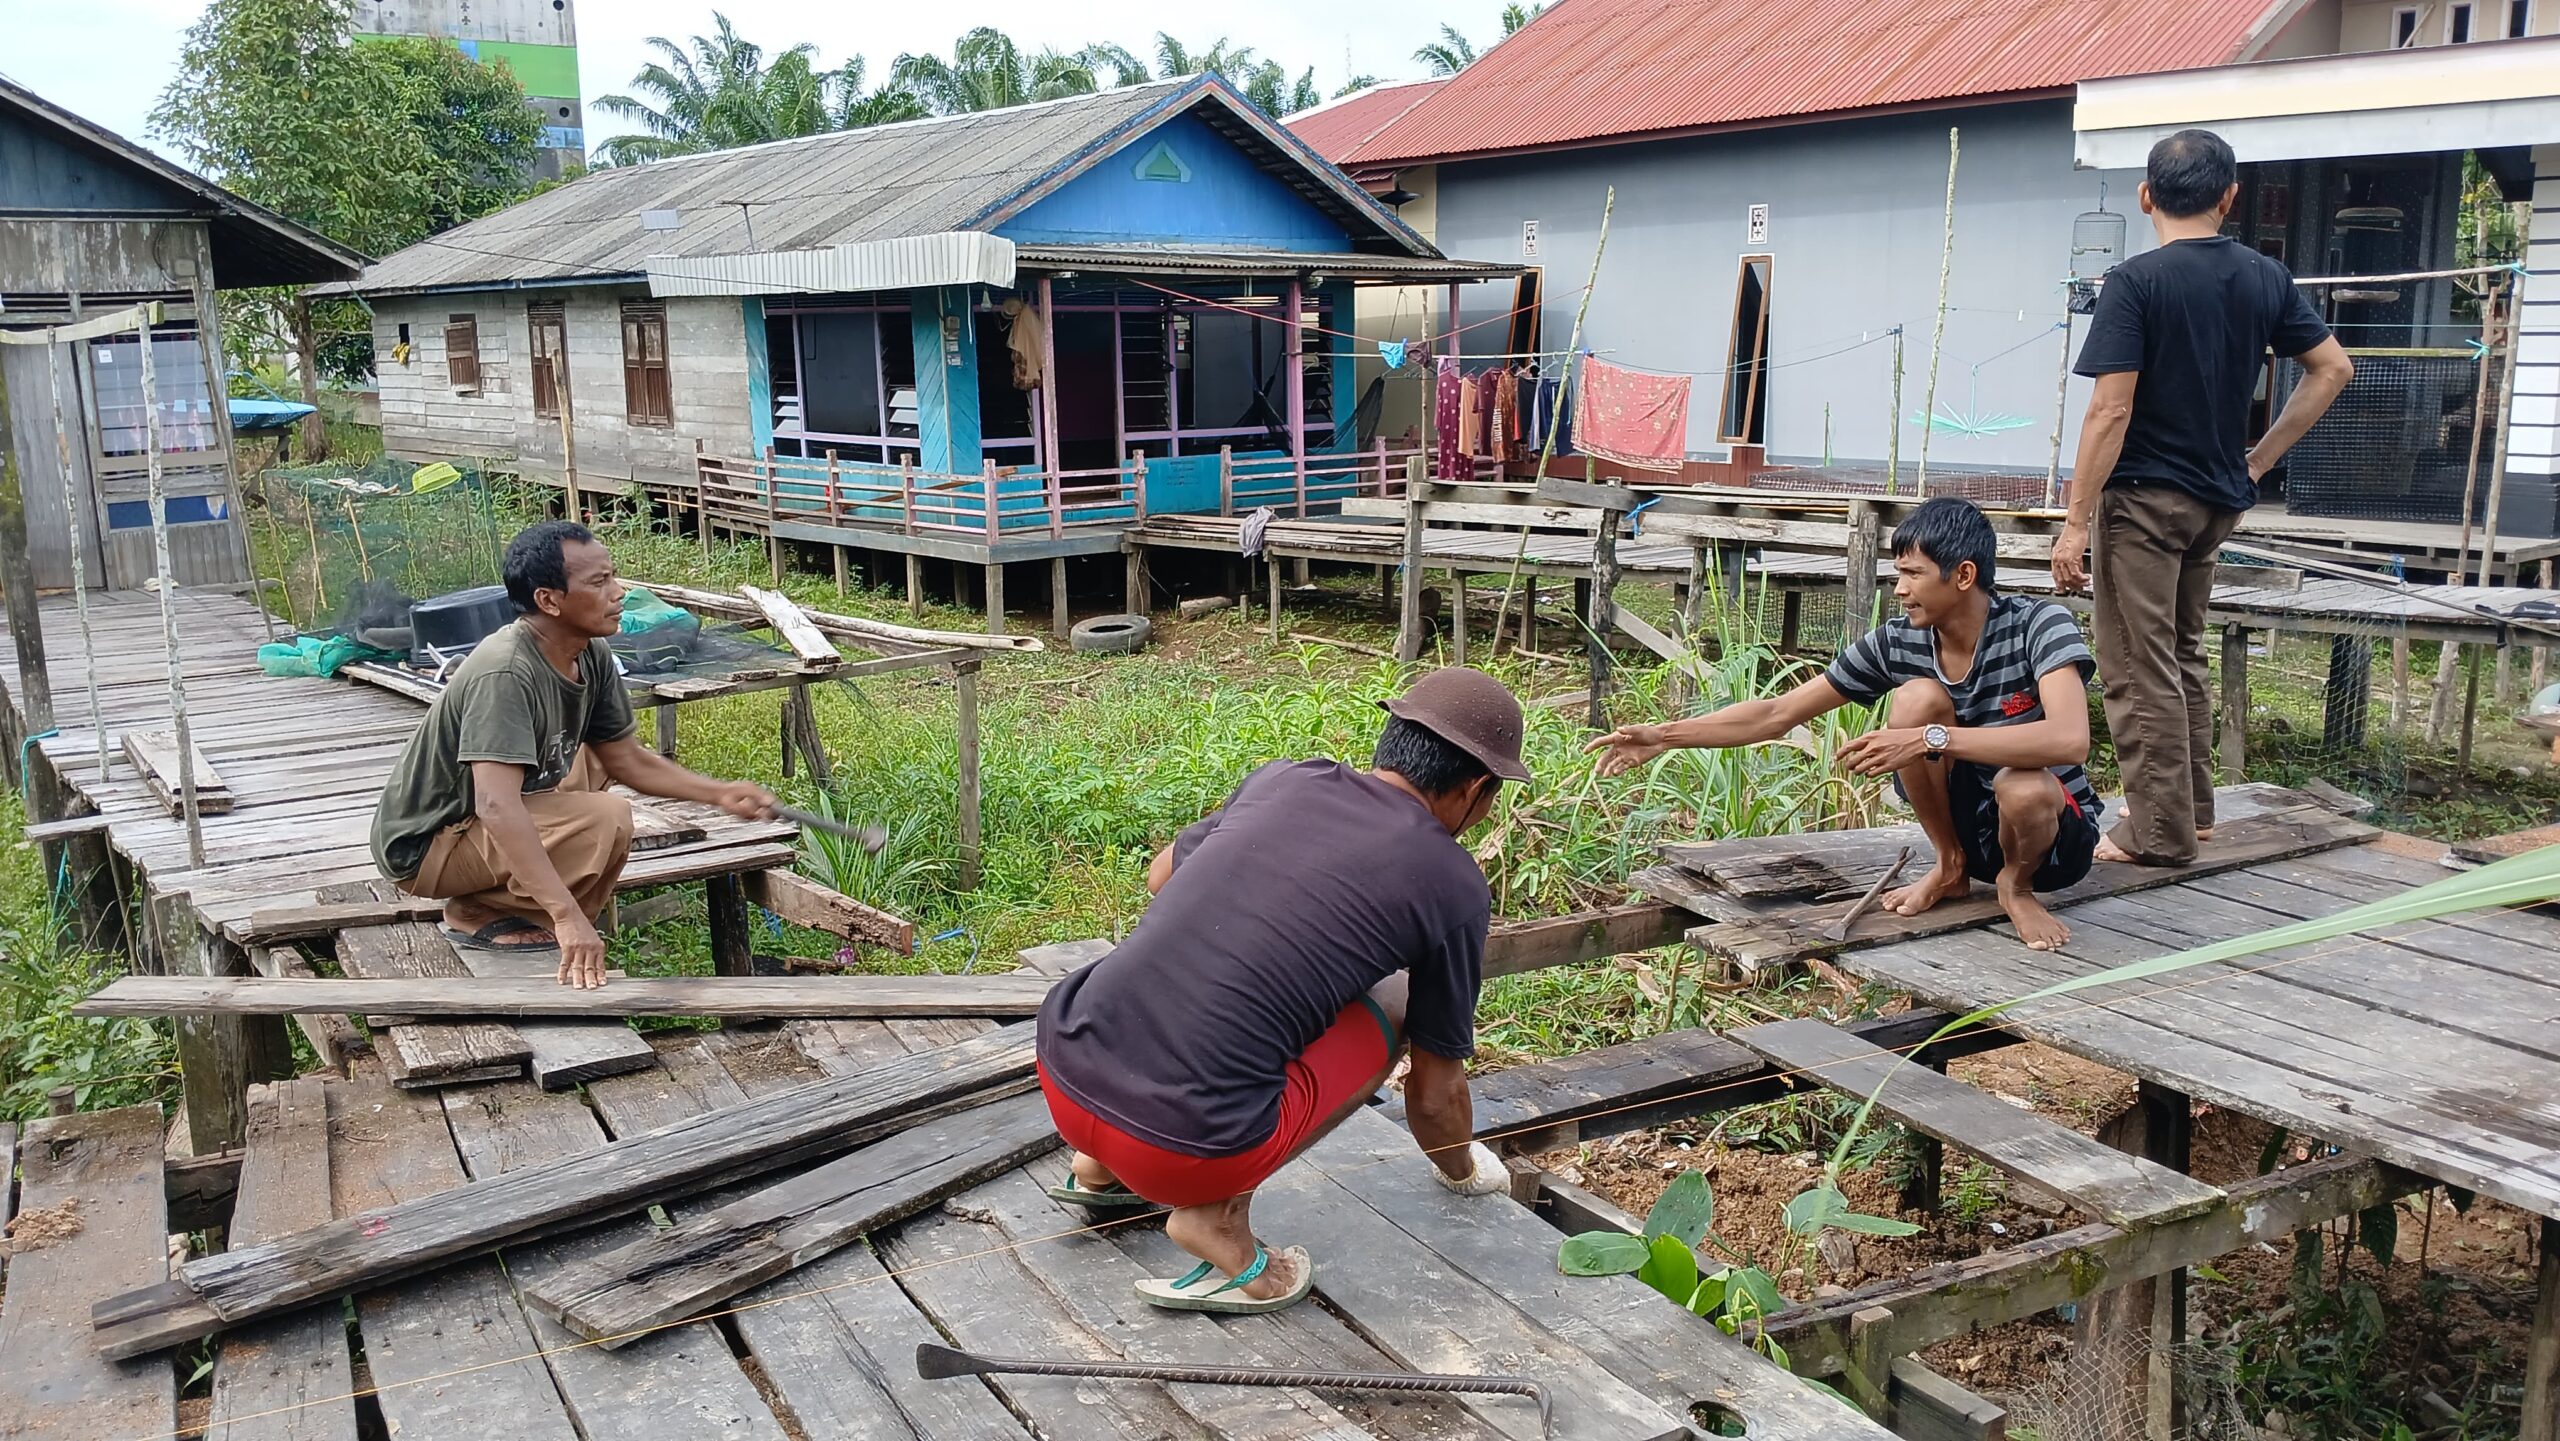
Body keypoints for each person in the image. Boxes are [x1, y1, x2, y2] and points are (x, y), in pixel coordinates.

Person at [1034, 667, 1530, 1314]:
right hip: (1183, 1151)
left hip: (1064, 1073)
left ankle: (1093, 1168)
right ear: (1475, 789)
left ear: (1393, 739)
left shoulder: (1287, 776)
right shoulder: (1453, 881)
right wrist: (1464, 1172)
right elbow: (1434, 1095)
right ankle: (1218, 1222)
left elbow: (1162, 877)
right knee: (1396, 999)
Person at [1589, 498, 2100, 951]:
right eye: (1897, 573)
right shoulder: (1898, 641)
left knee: (2022, 785)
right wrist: (1664, 736)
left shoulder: (2039, 624)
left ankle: (2016, 885)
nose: (1899, 589)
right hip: (1973, 827)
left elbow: (2069, 740)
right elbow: (1777, 713)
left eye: (1914, 574)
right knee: (1916, 697)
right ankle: (1951, 865)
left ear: (1963, 576)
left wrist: (1927, 738)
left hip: (2051, 838)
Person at [2053, 128, 2354, 866]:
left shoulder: (2135, 281)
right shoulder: (2265, 276)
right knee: (2181, 653)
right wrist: (2258, 460)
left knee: (2133, 663)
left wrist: (2074, 522)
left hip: (2148, 502)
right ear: (2229, 197)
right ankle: (2192, 811)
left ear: (2146, 196)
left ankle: (2158, 832)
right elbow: (2332, 369)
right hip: (2218, 499)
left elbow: (2110, 411)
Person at [370, 521, 776, 988]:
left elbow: (626, 759)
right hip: (427, 844)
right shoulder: (505, 672)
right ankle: (483, 911)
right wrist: (566, 917)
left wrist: (721, 793)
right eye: (600, 582)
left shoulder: (591, 653)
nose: (619, 593)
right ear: (549, 600)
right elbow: (495, 805)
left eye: (613, 577)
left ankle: (495, 904)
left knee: (597, 760)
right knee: (605, 817)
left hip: (482, 819)